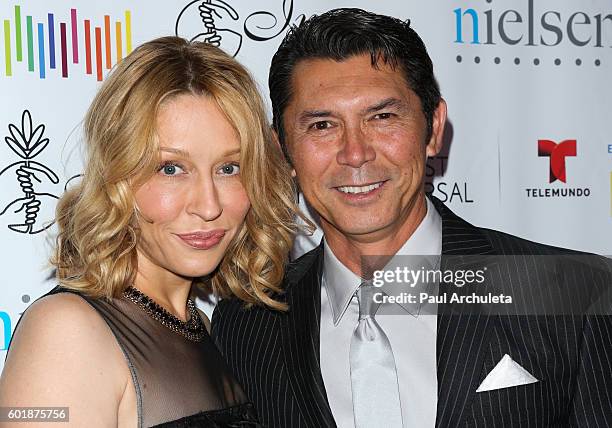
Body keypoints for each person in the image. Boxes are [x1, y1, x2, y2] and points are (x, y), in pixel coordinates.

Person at [211, 8, 612, 428]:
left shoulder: (575, 297)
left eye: (382, 117)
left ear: (434, 128)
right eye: (322, 125)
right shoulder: (248, 325)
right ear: (283, 149)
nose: (355, 153)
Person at [0, 36, 303, 427]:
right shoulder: (65, 334)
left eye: (229, 168)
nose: (209, 206)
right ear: (117, 176)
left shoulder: (205, 330)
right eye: (172, 169)